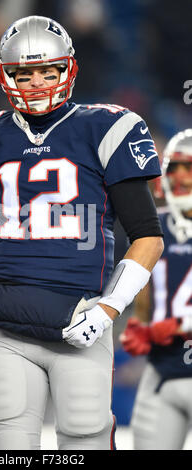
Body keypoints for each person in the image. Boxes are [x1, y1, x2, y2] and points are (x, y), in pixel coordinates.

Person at [0, 15, 164, 450]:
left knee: (86, 433)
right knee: (12, 443)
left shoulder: (108, 128)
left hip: (81, 314)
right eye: (25, 73)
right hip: (7, 326)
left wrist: (108, 310)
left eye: (49, 70)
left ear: (69, 69)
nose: (39, 82)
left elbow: (148, 236)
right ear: (6, 76)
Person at [120, 129, 192, 450]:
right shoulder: (153, 226)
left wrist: (178, 326)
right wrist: (139, 324)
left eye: (188, 168)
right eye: (173, 168)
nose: (180, 178)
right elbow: (145, 290)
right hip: (161, 370)